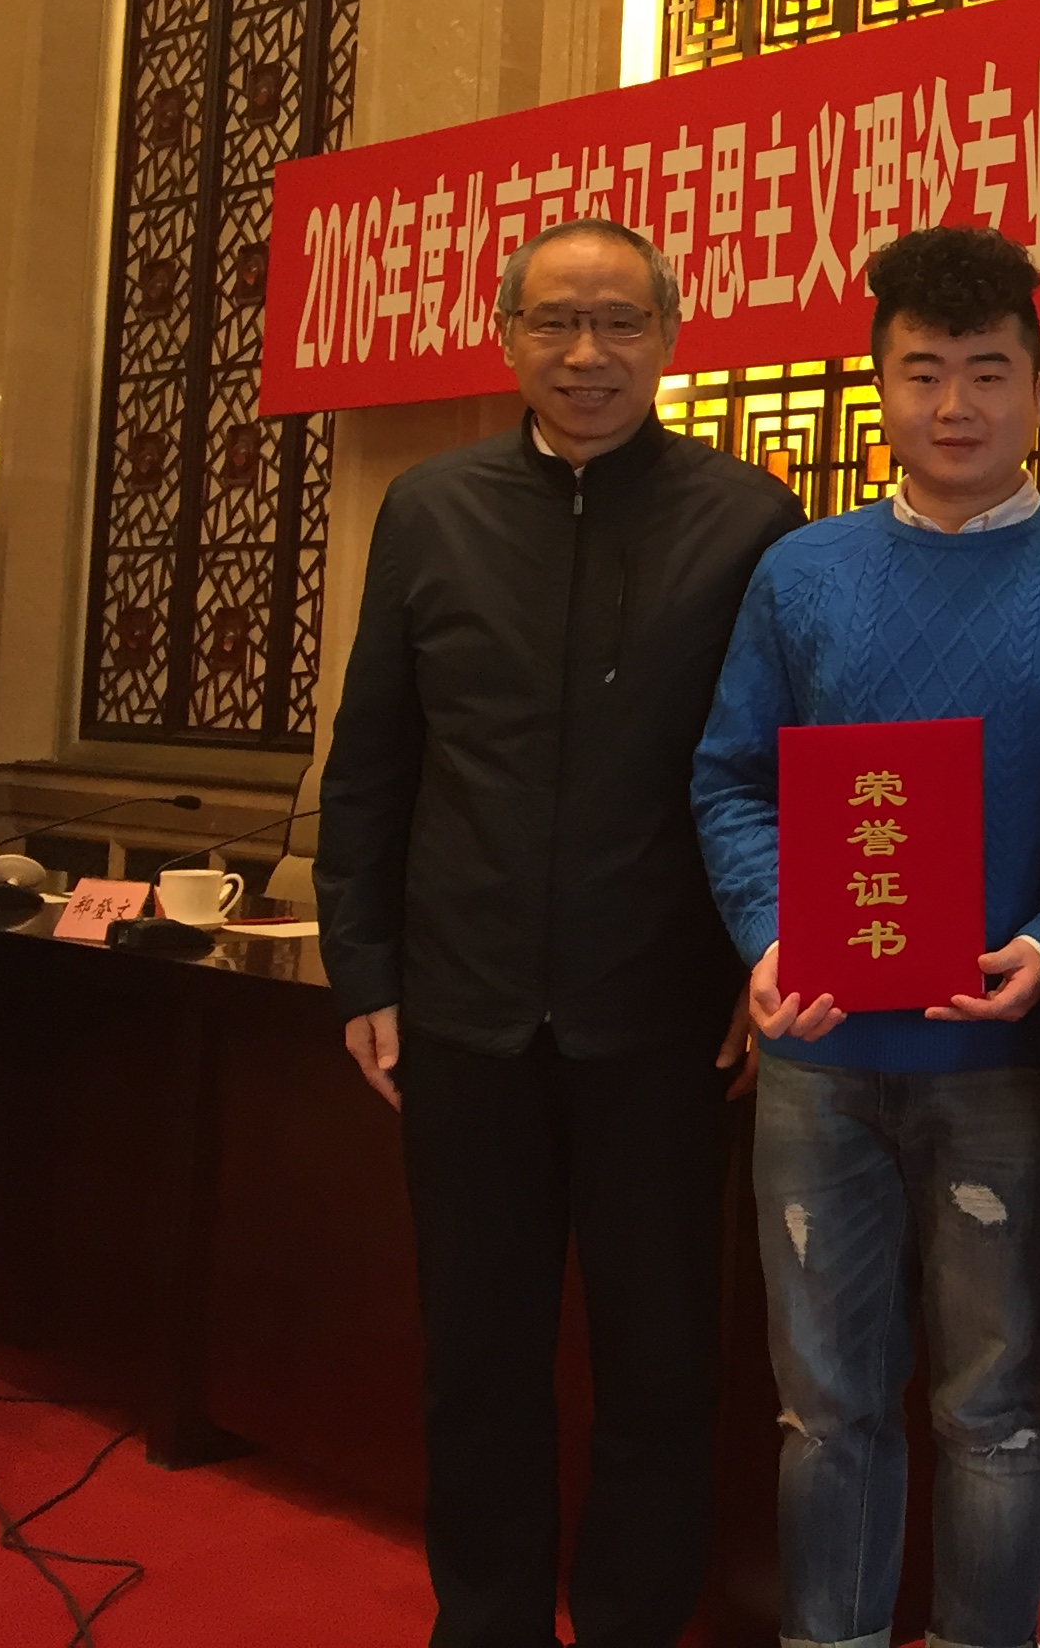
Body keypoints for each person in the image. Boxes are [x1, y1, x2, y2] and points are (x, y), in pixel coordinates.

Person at [317, 215, 802, 1648]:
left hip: (664, 1020)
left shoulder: (749, 518)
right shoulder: (430, 507)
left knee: (661, 1365)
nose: (588, 354)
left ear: (671, 335)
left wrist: (758, 962)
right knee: (477, 1360)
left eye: (619, 323)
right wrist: (363, 967)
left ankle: (636, 1623)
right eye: (555, 322)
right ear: (506, 336)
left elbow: (776, 767)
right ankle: (485, 1624)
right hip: (463, 1015)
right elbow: (373, 758)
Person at [690, 226, 1040, 1648]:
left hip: (1008, 1061)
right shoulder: (802, 574)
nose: (955, 404)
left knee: (996, 1406)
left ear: (1039, 385)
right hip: (821, 1056)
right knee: (824, 1405)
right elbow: (733, 778)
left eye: (987, 371)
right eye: (923, 372)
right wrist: (770, 936)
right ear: (881, 386)